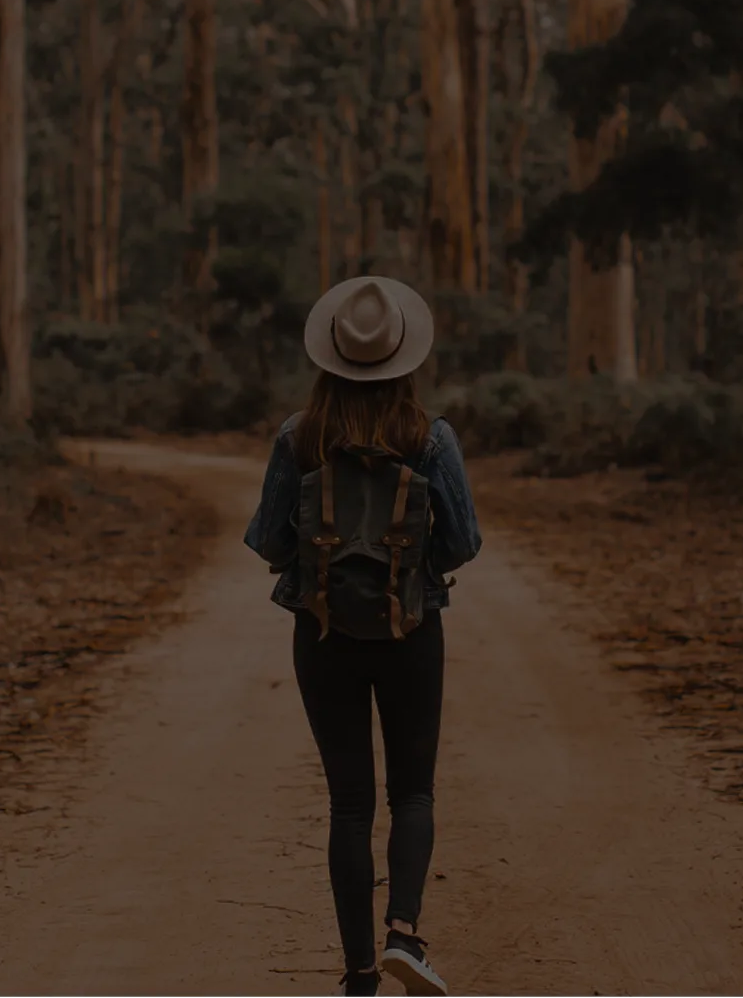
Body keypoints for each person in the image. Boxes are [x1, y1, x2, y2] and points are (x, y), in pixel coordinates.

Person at [245, 275, 482, 998]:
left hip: (322, 635)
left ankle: (357, 978)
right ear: (404, 357)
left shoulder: (299, 436)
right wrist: (413, 572)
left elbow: (269, 542)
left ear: (331, 356)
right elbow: (464, 540)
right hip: (411, 629)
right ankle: (404, 933)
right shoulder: (430, 437)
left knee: (350, 802)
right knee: (413, 791)